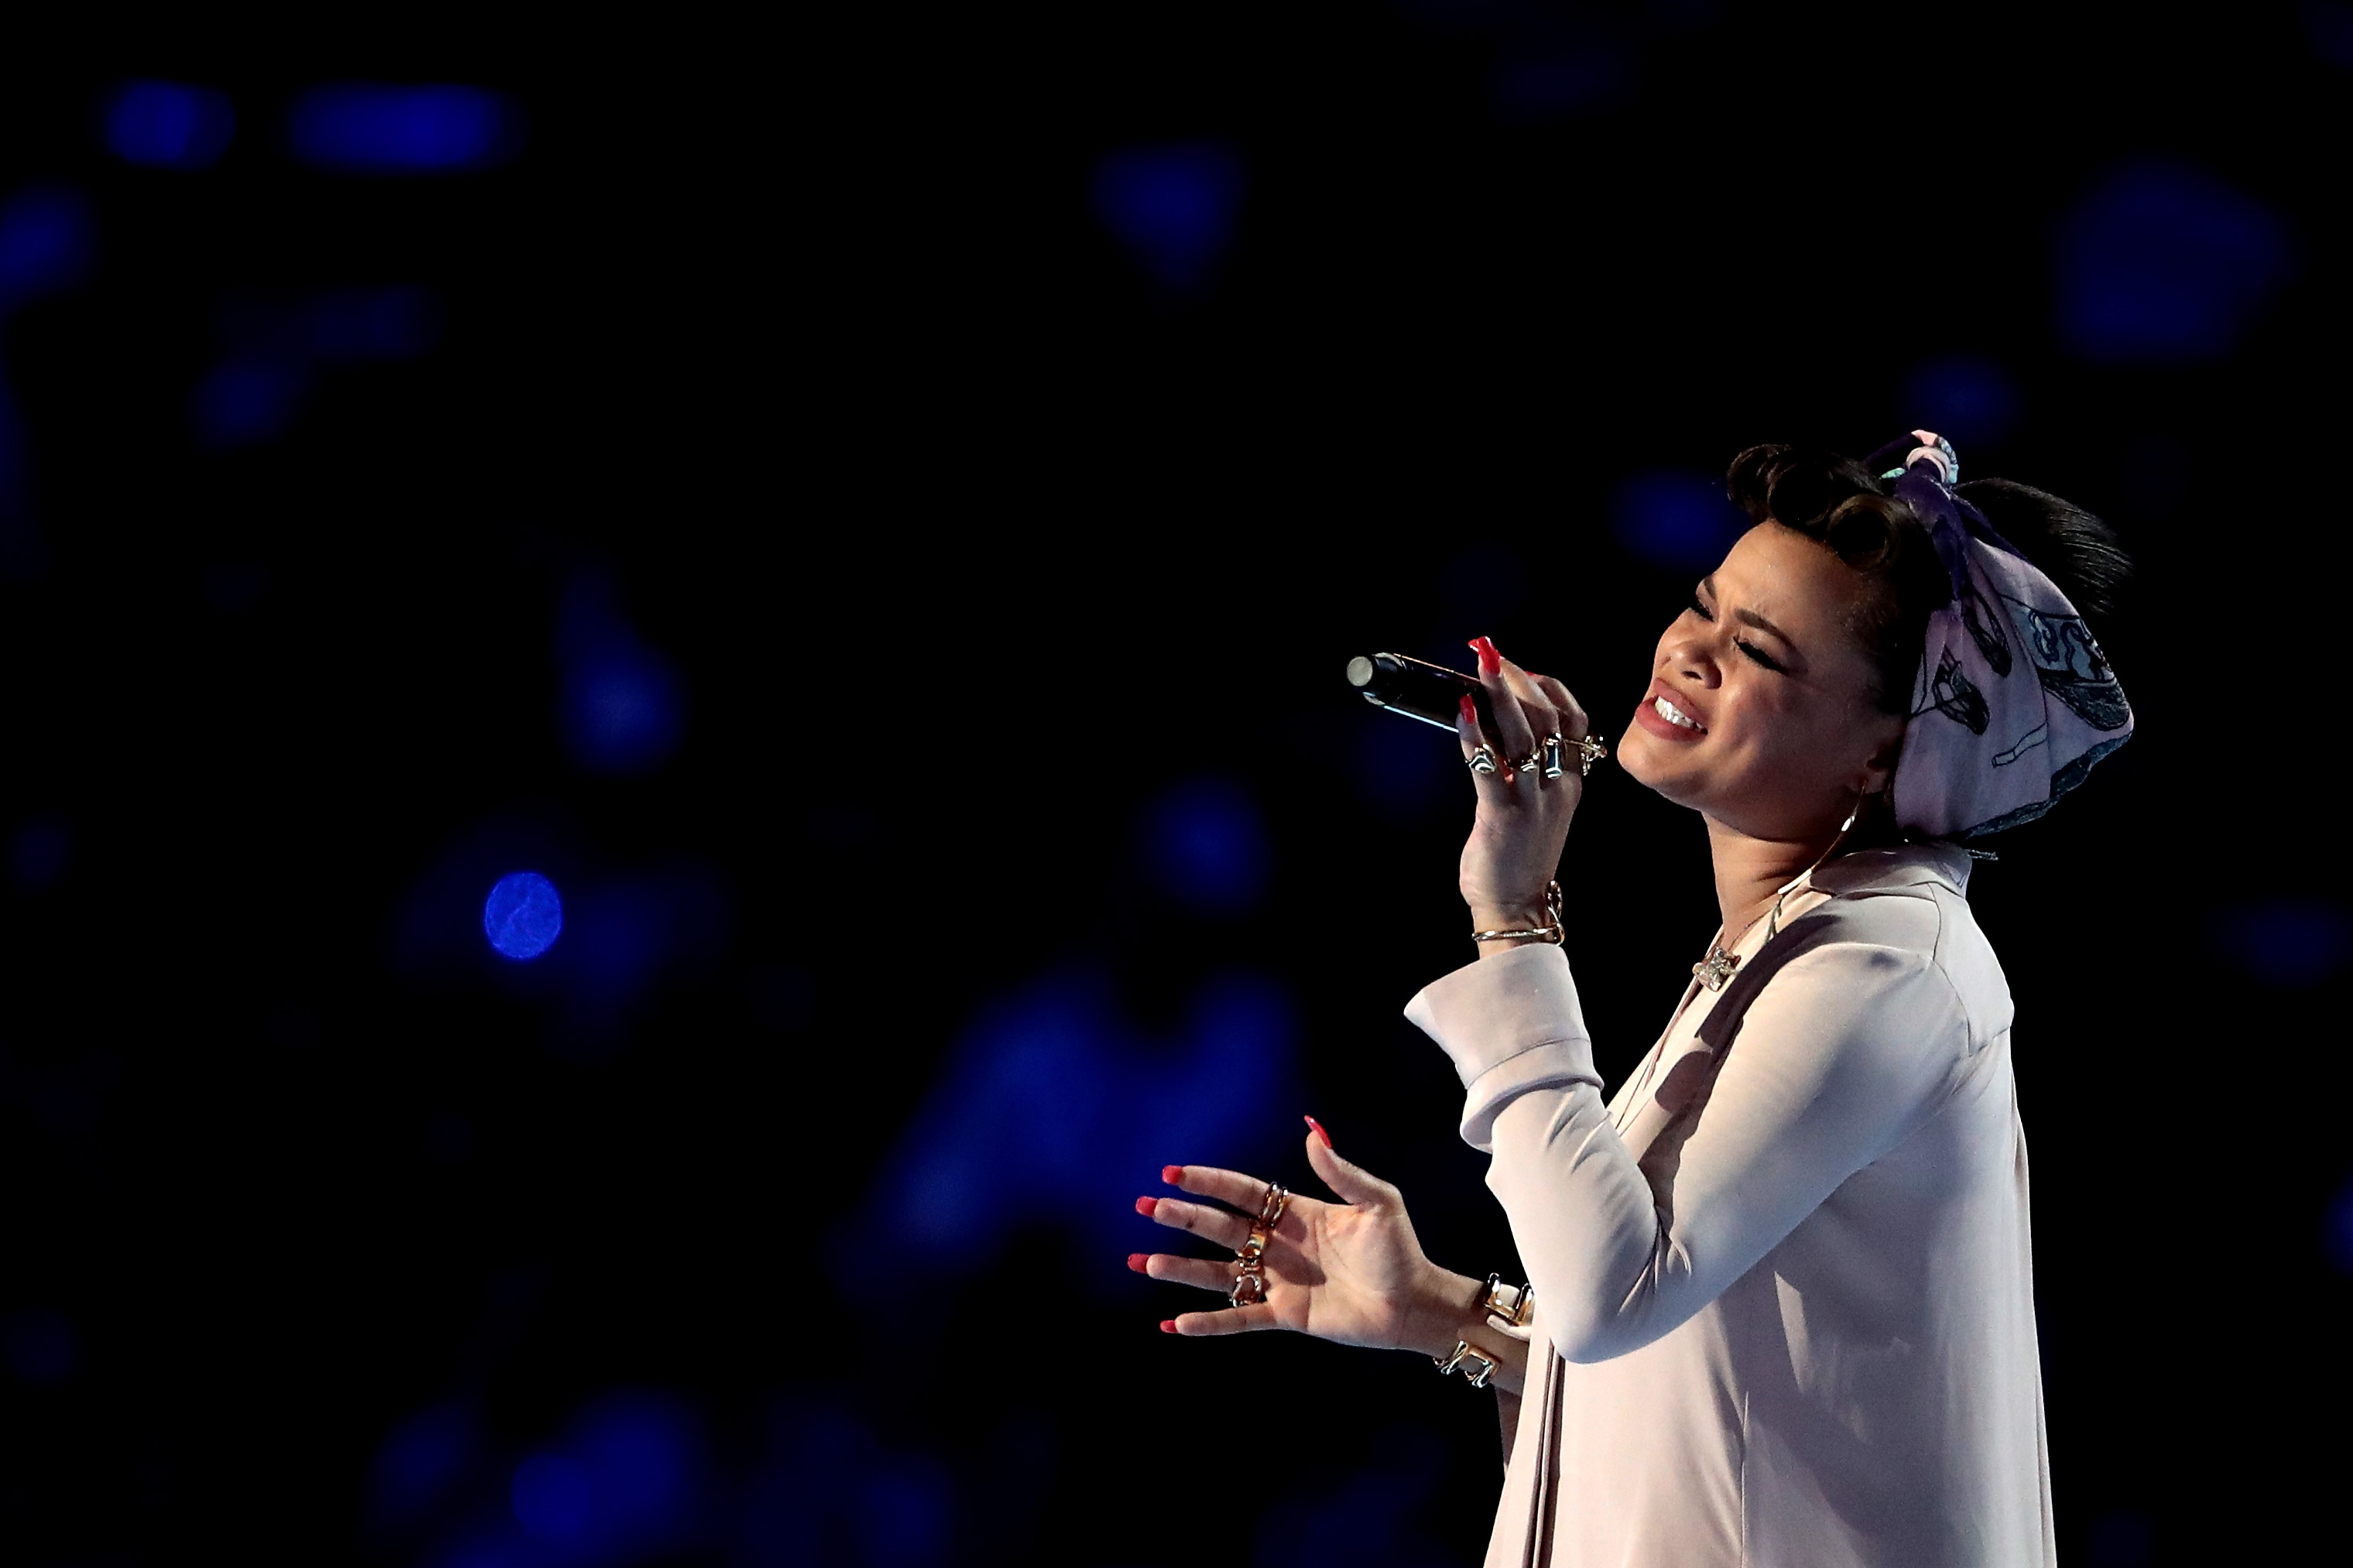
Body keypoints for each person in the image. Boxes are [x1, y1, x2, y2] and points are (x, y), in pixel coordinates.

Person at [1129, 433, 2132, 1566]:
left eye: (1758, 650)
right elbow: (1708, 1380)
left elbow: (1616, 1292)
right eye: (1704, 608)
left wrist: (1513, 918)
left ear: (1882, 753)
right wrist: (1450, 1317)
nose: (1691, 653)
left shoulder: (1887, 961)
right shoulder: (1797, 945)